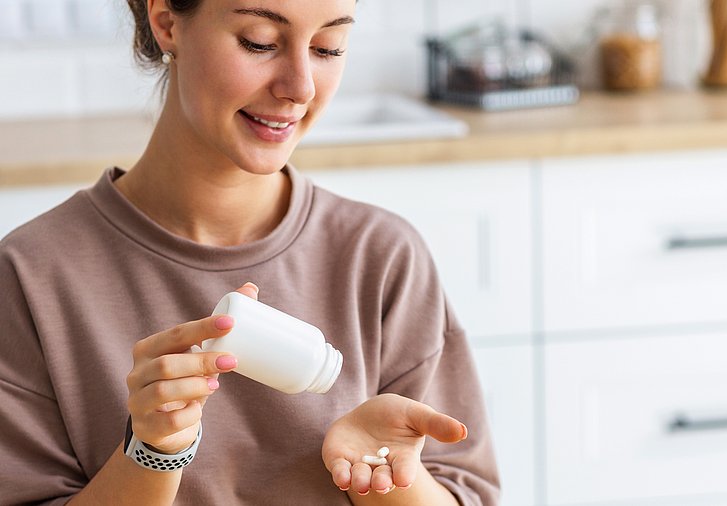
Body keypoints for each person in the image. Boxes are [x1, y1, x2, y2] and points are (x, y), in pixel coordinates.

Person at [0, 0, 500, 504]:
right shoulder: (31, 276)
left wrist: (382, 478)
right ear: (167, 22)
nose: (300, 87)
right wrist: (153, 453)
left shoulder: (382, 257)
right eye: (259, 42)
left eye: (328, 48)